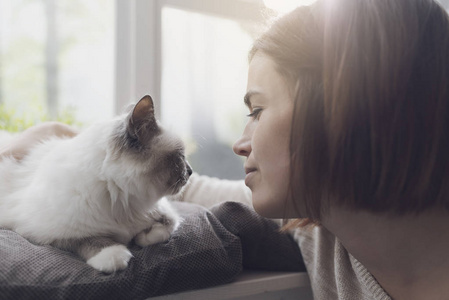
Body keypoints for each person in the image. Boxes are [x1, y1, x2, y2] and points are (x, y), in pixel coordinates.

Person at [3, 0, 449, 299]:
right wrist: (64, 141)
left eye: (256, 110)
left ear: (343, 109)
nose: (239, 142)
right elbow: (191, 190)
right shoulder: (323, 233)